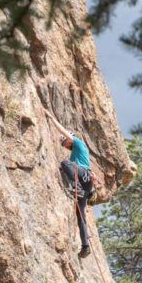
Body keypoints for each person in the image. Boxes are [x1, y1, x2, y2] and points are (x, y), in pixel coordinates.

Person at [44, 108, 94, 258]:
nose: (64, 145)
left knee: (64, 163)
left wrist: (51, 117)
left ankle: (77, 188)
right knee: (80, 215)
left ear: (69, 138)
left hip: (82, 175)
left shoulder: (78, 143)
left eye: (64, 142)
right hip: (86, 182)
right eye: (63, 144)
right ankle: (85, 246)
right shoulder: (75, 154)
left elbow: (63, 131)